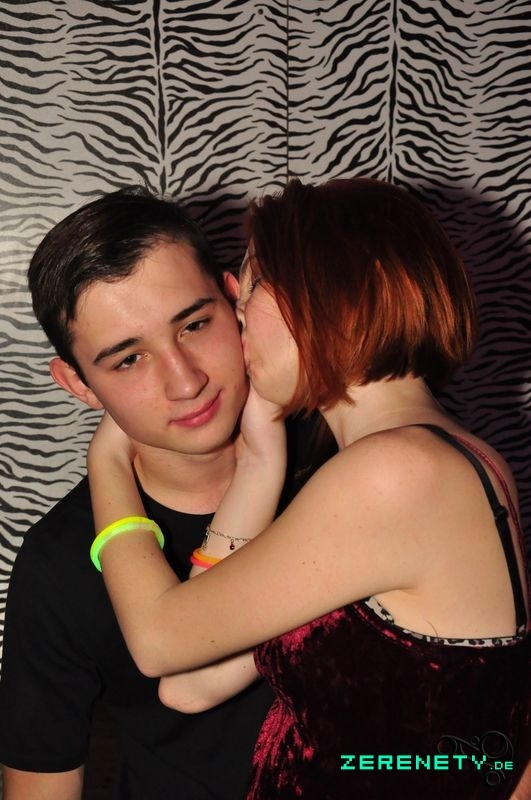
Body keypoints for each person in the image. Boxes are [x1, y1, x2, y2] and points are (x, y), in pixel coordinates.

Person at [86, 177, 530, 800]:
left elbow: (159, 640)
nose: (238, 309)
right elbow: (189, 686)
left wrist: (106, 462)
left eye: (256, 283)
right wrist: (259, 461)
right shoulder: (424, 461)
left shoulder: (397, 473)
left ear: (337, 290)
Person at [0, 186, 324, 800]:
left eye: (195, 325)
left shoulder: (350, 465)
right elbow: (39, 786)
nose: (185, 381)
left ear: (234, 299)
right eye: (128, 359)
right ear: (78, 384)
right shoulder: (58, 561)